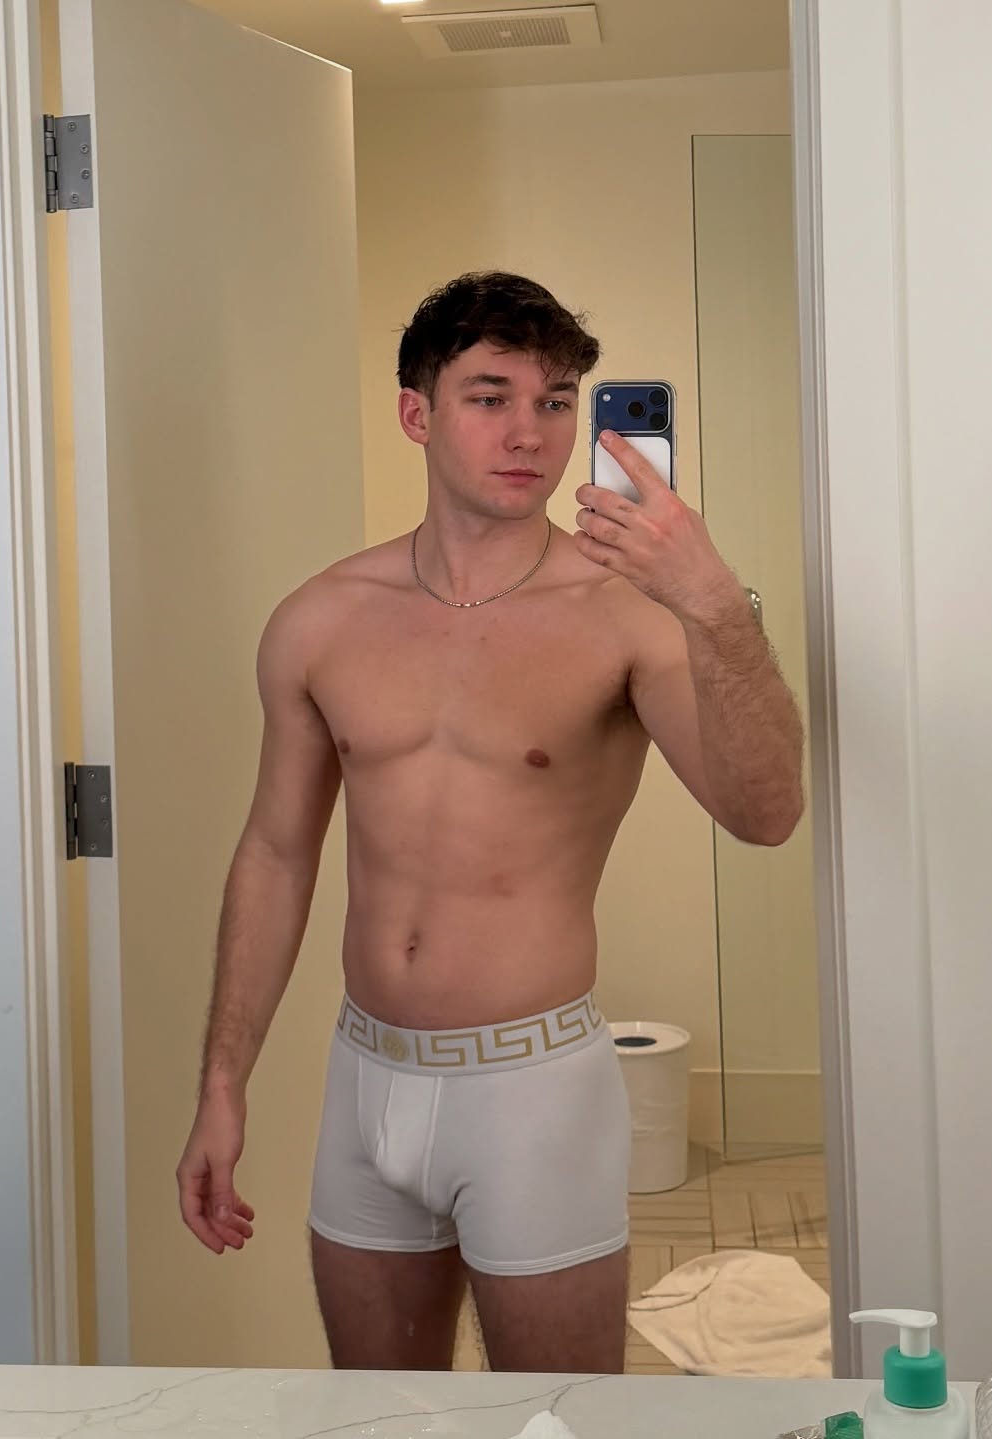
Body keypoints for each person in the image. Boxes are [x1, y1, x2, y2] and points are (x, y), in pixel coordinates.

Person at [175, 271, 805, 1374]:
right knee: (381, 1420)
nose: (530, 432)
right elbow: (276, 853)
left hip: (533, 1090)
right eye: (490, 396)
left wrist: (712, 600)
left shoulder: (628, 617)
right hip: (365, 1078)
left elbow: (768, 812)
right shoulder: (321, 619)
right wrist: (222, 1082)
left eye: (556, 402)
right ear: (416, 412)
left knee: (555, 1423)